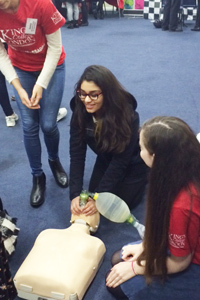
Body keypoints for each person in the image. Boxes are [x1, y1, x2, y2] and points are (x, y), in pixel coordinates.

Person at [106, 116, 200, 300]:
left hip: (192, 263)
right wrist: (146, 245)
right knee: (119, 258)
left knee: (118, 284)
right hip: (186, 243)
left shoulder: (181, 205)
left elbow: (180, 262)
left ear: (155, 157)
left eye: (141, 148)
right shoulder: (187, 168)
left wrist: (136, 268)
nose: (139, 152)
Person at [0, 0, 68, 208]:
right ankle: (37, 176)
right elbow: (1, 53)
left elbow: (55, 48)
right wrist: (18, 87)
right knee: (29, 126)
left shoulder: (40, 4)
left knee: (48, 125)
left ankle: (54, 161)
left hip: (52, 66)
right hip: (20, 68)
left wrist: (41, 83)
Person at [69, 65, 148, 217]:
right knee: (93, 195)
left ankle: (148, 175)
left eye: (94, 95)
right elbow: (77, 154)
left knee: (121, 206)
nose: (87, 100)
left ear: (107, 94)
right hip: (105, 157)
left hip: (133, 162)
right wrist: (75, 194)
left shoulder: (128, 115)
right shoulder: (79, 110)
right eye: (83, 93)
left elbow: (121, 161)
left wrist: (100, 198)